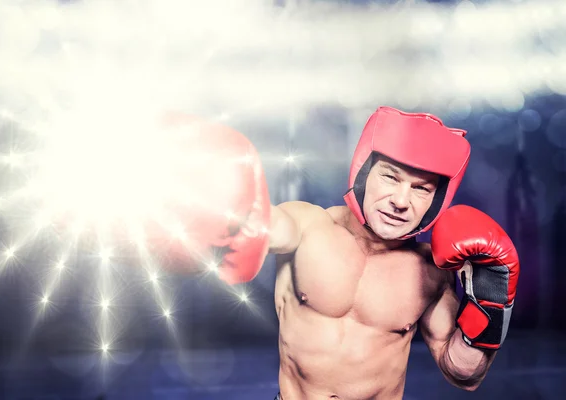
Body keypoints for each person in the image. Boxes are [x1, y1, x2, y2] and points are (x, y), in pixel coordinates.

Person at [149, 107, 520, 400]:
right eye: (390, 177)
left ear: (437, 200)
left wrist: (493, 291)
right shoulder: (307, 226)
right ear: (363, 170)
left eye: (421, 189)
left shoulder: (431, 273)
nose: (401, 202)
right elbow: (266, 225)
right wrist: (210, 195)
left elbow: (464, 373)